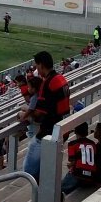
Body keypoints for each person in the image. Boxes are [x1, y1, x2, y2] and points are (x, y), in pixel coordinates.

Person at [25, 51, 69, 180]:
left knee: (29, 171)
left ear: (42, 65)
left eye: (37, 66)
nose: (37, 69)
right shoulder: (61, 78)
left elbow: (39, 115)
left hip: (48, 133)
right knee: (46, 167)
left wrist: (27, 116)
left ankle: (45, 195)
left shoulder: (48, 83)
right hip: (61, 129)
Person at [61, 122, 97, 195]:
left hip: (78, 175)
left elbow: (72, 161)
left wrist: (70, 165)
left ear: (75, 131)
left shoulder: (72, 143)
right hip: (92, 176)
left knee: (60, 190)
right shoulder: (92, 143)